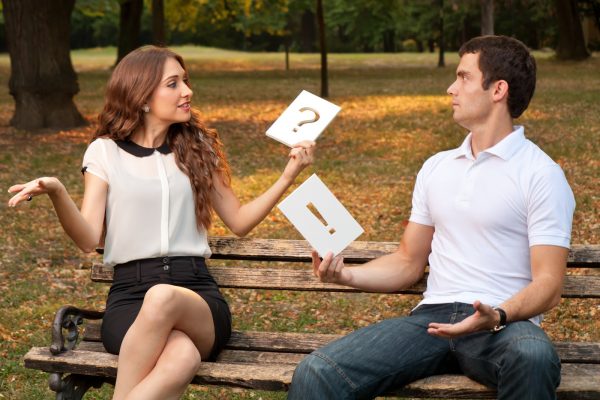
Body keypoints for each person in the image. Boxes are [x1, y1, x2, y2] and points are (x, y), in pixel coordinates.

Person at [7, 45, 315, 400]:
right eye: (173, 84)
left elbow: (240, 221)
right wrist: (59, 192)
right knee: (181, 357)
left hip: (197, 297)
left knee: (163, 296)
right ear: (142, 97)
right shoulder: (105, 152)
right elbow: (88, 238)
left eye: (185, 81)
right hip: (129, 301)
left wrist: (288, 174)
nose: (187, 91)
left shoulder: (199, 147)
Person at [288, 35, 575, 400]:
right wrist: (344, 275)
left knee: (533, 356)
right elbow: (409, 261)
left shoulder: (540, 174)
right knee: (317, 373)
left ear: (498, 89)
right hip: (431, 321)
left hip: (501, 326)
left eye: (464, 77)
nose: (450, 88)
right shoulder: (436, 167)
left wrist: (498, 315)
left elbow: (549, 284)